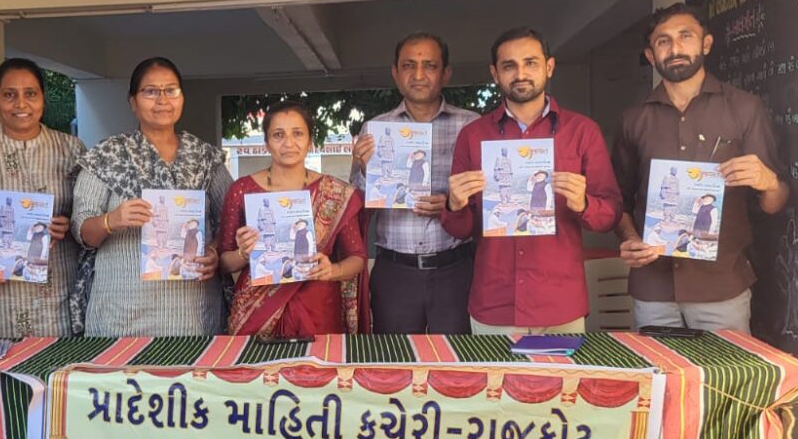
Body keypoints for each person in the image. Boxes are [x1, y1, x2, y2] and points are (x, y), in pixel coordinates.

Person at [613, 3, 788, 332]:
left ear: (706, 44)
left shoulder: (744, 108)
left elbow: (774, 203)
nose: (675, 48)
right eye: (663, 41)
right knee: (659, 368)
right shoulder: (634, 120)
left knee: (725, 368)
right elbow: (617, 199)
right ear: (650, 55)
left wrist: (769, 182)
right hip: (654, 286)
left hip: (722, 286)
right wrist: (631, 237)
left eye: (686, 36)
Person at [444, 26, 621, 335]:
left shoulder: (582, 131)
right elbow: (460, 229)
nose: (520, 74)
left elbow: (609, 216)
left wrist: (583, 204)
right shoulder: (473, 136)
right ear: (495, 73)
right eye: (509, 66)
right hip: (494, 302)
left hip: (559, 302)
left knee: (563, 371)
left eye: (530, 63)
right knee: (493, 372)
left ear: (549, 67)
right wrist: (454, 205)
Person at [71, 57, 228, 336]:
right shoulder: (108, 155)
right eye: (151, 91)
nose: (162, 100)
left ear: (182, 97)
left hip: (191, 314)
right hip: (122, 313)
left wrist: (214, 252)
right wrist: (111, 220)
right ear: (133, 102)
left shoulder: (205, 158)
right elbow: (82, 231)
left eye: (171, 90)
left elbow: (231, 219)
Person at [0, 57, 84, 338]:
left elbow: (87, 216)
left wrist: (69, 224)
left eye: (30, 94)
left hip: (55, 298)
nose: (21, 103)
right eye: (9, 94)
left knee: (55, 366)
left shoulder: (71, 150)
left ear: (43, 98)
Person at [350, 32, 479, 334]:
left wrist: (452, 205)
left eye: (430, 65)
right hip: (396, 272)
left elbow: (485, 201)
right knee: (395, 357)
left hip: (455, 270)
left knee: (455, 358)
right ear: (396, 73)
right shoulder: (375, 129)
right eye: (409, 65)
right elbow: (357, 209)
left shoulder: (472, 126)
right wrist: (366, 172)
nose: (418, 75)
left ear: (445, 73)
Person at [220, 101, 369, 336]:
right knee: (254, 362)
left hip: (318, 310)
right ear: (266, 142)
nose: (289, 143)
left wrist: (333, 270)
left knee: (317, 361)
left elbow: (357, 257)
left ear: (310, 141)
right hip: (256, 312)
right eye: (278, 135)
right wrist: (243, 253)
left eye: (297, 133)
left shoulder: (336, 192)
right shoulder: (242, 190)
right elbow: (224, 262)